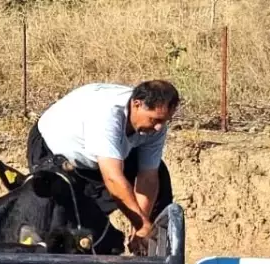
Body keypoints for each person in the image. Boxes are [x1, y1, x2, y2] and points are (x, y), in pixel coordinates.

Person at [28, 80, 180, 253]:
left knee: (160, 176)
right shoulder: (107, 114)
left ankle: (147, 258)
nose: (159, 127)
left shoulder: (156, 126)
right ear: (137, 104)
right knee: (63, 220)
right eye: (155, 119)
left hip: (100, 159)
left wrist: (141, 224)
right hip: (54, 151)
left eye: (165, 120)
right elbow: (113, 178)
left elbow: (148, 177)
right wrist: (141, 224)